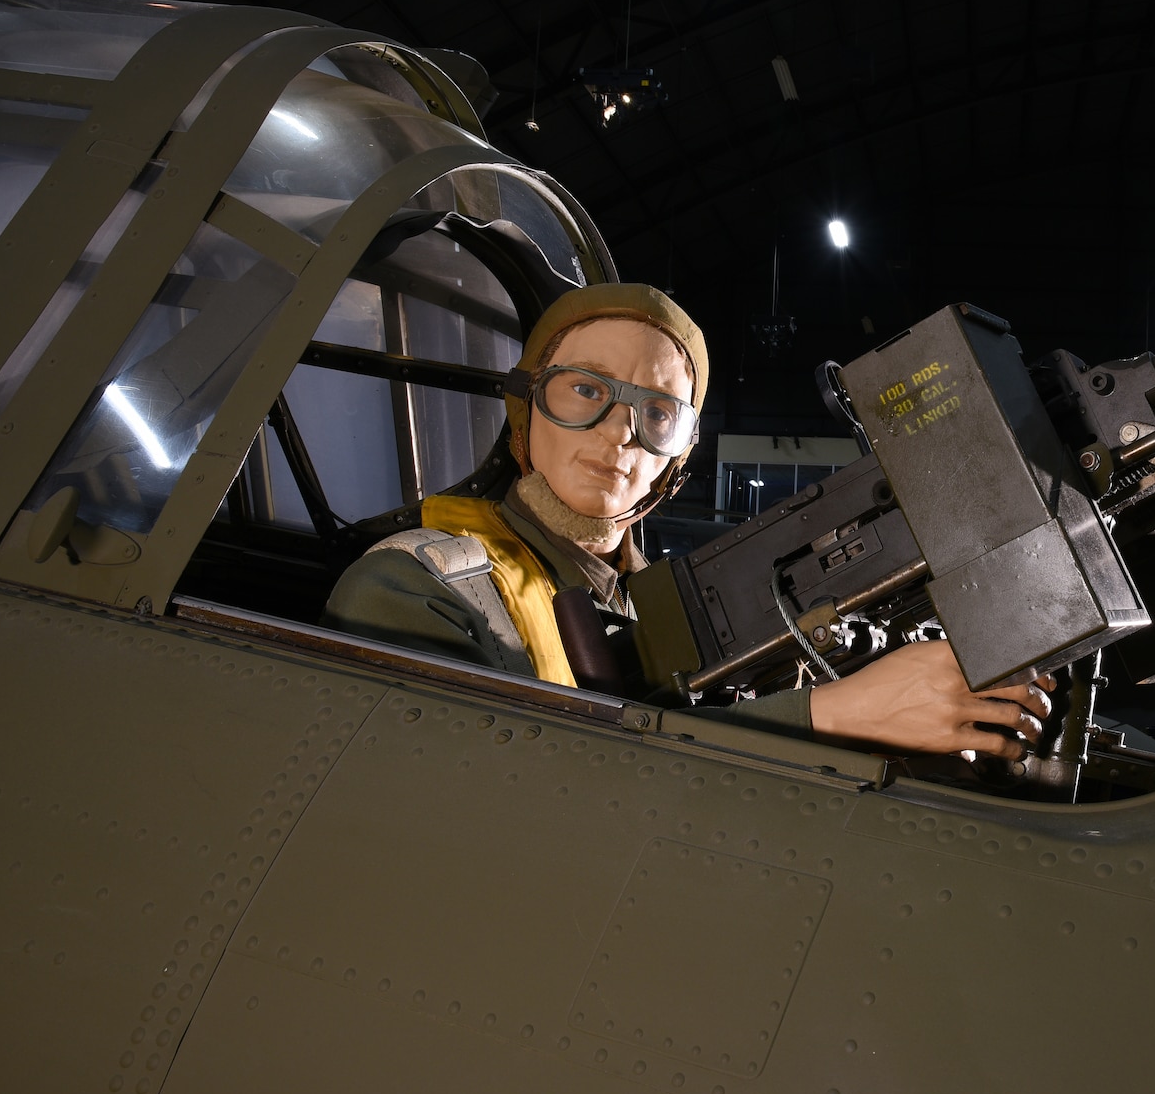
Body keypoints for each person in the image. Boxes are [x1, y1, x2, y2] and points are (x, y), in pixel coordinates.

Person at [323, 281, 1051, 760]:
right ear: (527, 403)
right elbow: (500, 819)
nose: (618, 433)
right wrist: (825, 714)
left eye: (657, 415)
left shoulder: (671, 606)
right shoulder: (415, 586)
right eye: (584, 391)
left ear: (679, 455)